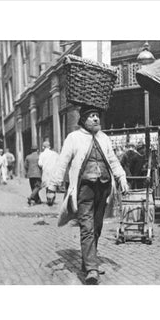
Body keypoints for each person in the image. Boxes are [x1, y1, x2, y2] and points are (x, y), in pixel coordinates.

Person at [47, 105, 129, 285]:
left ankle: (87, 260)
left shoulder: (104, 138)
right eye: (91, 116)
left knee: (97, 226)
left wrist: (122, 177)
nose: (95, 119)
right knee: (87, 227)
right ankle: (92, 268)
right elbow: (63, 162)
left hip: (104, 188)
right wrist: (52, 186)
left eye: (97, 116)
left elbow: (113, 160)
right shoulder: (74, 138)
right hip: (84, 189)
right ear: (83, 120)